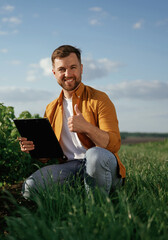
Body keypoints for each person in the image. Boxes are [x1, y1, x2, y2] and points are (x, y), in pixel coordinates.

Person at [19, 45, 126, 199]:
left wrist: (87, 128)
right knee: (30, 188)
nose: (68, 74)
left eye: (73, 67)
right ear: (54, 73)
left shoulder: (99, 99)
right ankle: (79, 191)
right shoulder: (51, 109)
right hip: (70, 168)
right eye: (62, 69)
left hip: (103, 166)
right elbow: (45, 158)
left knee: (94, 155)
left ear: (81, 68)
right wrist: (32, 148)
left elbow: (114, 144)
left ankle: (96, 210)